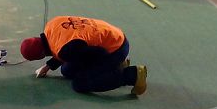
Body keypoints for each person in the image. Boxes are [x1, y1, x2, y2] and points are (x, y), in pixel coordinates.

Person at [19, 16, 147, 95]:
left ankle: (133, 75)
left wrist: (107, 69)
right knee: (67, 70)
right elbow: (67, 44)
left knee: (80, 84)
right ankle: (117, 64)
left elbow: (99, 53)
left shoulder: (65, 50)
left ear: (41, 55)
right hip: (112, 33)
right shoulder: (51, 25)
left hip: (116, 48)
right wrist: (49, 66)